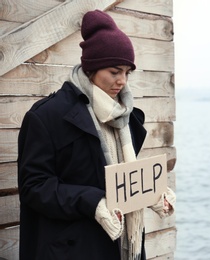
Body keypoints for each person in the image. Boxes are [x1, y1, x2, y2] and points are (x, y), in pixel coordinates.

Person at [17, 10, 175, 260]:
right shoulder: (47, 117)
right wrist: (93, 202)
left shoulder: (128, 117)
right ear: (92, 67)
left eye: (127, 72)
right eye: (114, 71)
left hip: (124, 248)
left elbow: (124, 179)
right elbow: (34, 187)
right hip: (74, 249)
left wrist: (153, 191)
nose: (122, 81)